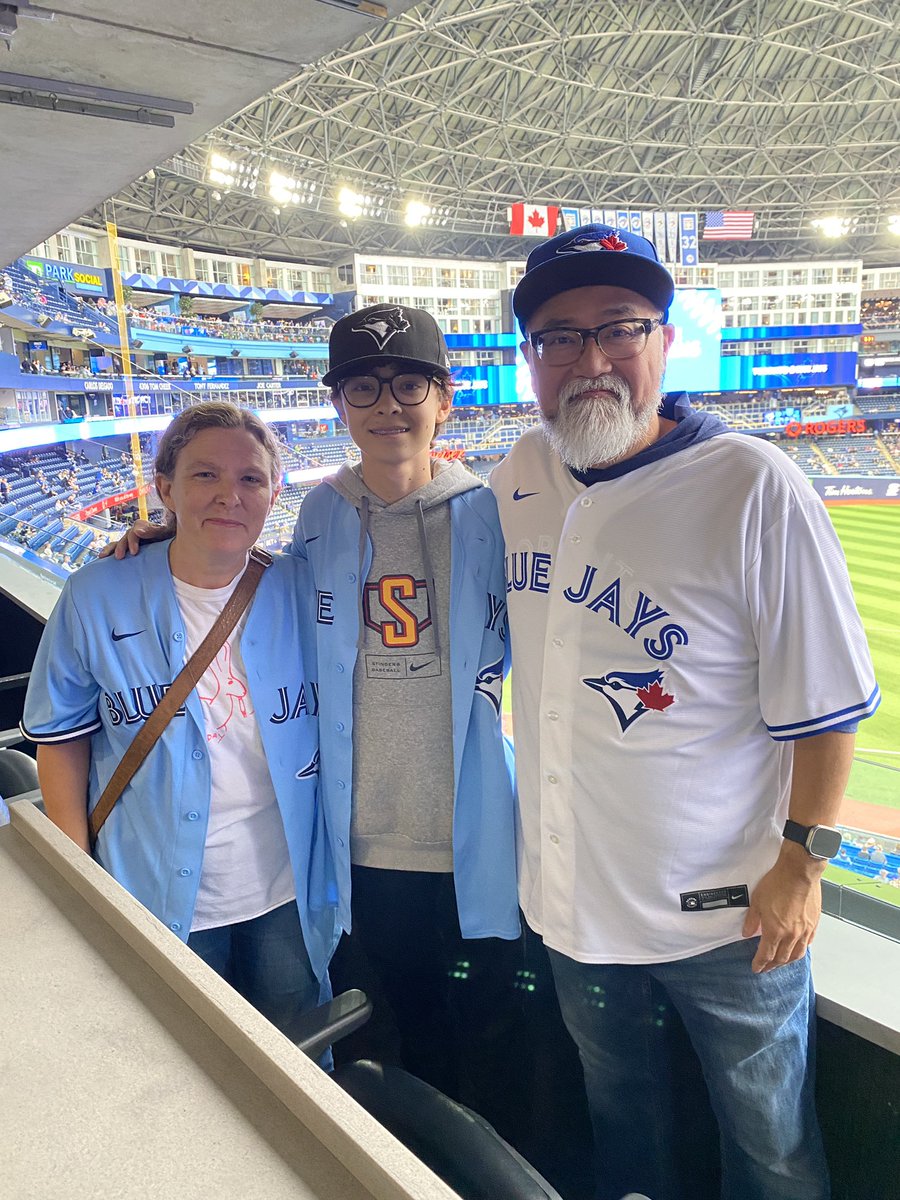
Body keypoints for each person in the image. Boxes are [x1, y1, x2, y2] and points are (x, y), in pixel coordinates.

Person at [491, 223, 880, 1200]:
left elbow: (830, 705)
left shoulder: (754, 486)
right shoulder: (511, 483)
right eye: (560, 336)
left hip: (730, 917)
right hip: (574, 915)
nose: (592, 359)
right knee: (630, 1143)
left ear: (664, 341)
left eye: (619, 328)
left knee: (773, 1156)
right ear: (530, 360)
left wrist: (804, 860)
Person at [21, 402, 336, 1039]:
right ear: (164, 487)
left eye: (250, 478)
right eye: (204, 476)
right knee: (184, 1056)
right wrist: (77, 873)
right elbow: (63, 739)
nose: (230, 495)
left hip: (287, 889)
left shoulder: (303, 588)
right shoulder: (94, 593)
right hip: (153, 887)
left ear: (275, 492)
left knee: (302, 1059)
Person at [287, 304, 521, 1113]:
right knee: (383, 1041)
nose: (388, 403)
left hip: (469, 835)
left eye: (409, 382)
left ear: (444, 399)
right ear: (341, 407)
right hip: (360, 843)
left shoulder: (491, 513)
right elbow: (258, 596)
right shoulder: (319, 514)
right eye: (363, 386)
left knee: (481, 1040)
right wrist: (157, 540)